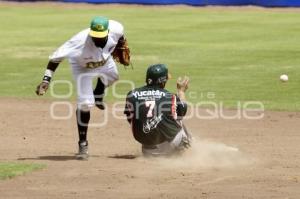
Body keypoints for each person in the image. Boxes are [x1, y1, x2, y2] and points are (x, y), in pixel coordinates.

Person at [36, 16, 130, 160]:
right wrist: (46, 80)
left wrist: (122, 42)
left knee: (113, 76)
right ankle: (83, 144)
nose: (97, 39)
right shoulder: (78, 41)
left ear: (108, 31)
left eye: (101, 37)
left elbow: (121, 37)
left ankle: (98, 94)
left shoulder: (116, 28)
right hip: (82, 68)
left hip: (105, 63)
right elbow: (55, 59)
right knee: (85, 104)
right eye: (95, 36)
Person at [124, 64, 191, 157]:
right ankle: (184, 149)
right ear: (162, 81)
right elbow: (183, 111)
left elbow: (130, 119)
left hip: (148, 150)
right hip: (169, 148)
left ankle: (152, 147)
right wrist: (181, 91)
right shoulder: (170, 96)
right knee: (177, 118)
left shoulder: (132, 95)